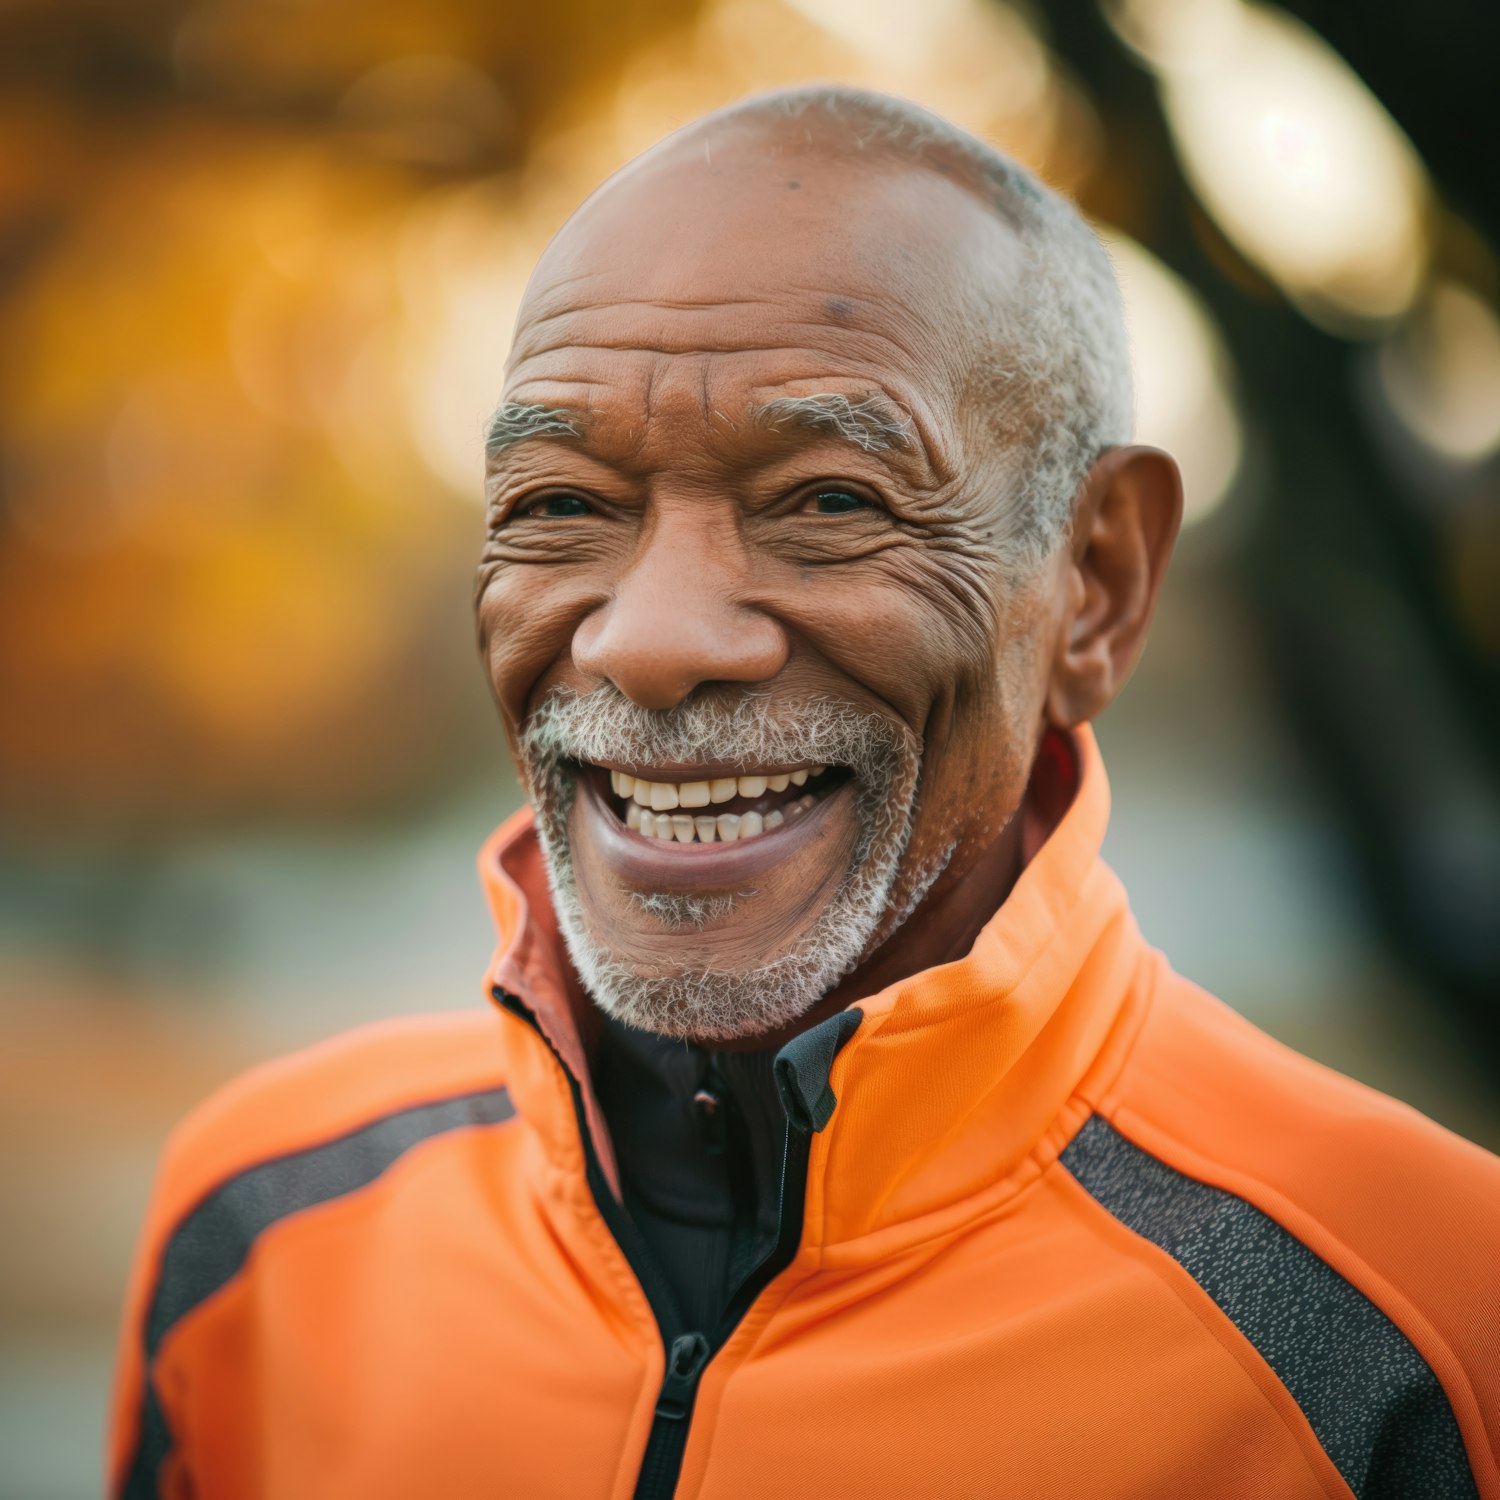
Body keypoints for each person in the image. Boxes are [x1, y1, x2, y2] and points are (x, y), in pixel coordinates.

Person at [109, 86, 1500, 1499]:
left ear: (1095, 584)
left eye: (829, 501)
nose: (646, 642)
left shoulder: (1423, 1325)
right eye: (560, 505)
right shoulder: (268, 1226)